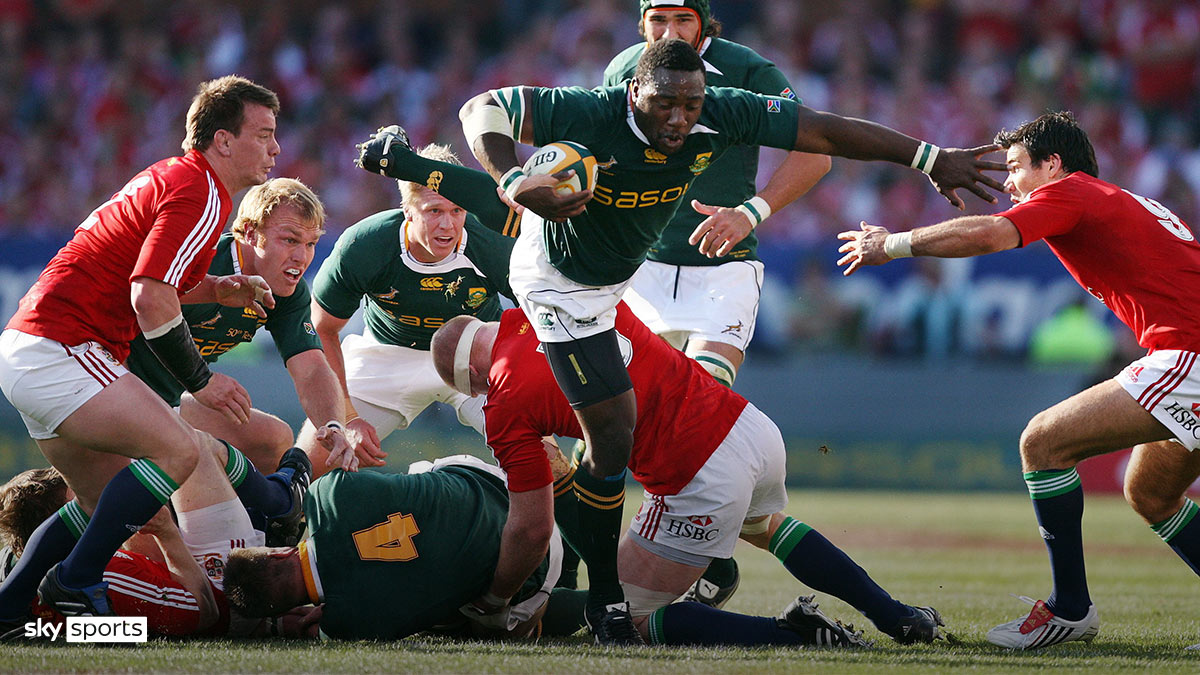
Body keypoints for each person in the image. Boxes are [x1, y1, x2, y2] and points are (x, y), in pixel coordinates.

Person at [456, 36, 1003, 640]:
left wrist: (929, 158)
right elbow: (483, 106)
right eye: (666, 104)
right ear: (634, 91)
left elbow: (825, 133)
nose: (680, 118)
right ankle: (620, 593)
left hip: (625, 306)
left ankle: (620, 598)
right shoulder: (594, 110)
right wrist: (511, 178)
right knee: (616, 438)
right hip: (564, 291)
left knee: (612, 454)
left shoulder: (722, 108)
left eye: (691, 105)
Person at [835, 111, 1200, 650]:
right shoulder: (1109, 198)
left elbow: (988, 235)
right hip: (1183, 351)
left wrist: (892, 244)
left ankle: (1070, 609)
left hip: (1188, 354)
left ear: (1053, 165)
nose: (1008, 183)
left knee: (1043, 442)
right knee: (1150, 491)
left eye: (1015, 167)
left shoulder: (1073, 192)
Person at [429, 305, 947, 648]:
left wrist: (493, 601)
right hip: (750, 425)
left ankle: (794, 634)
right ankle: (897, 614)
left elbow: (531, 530)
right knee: (765, 526)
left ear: (473, 380)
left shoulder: (502, 403)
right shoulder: (558, 303)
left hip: (701, 474)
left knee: (620, 616)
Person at [0, 75, 284, 622]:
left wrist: (218, 289)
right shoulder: (202, 190)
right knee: (179, 450)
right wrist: (204, 382)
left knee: (93, 503)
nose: (275, 148)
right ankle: (77, 581)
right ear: (222, 141)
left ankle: (11, 607)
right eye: (264, 134)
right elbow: (149, 299)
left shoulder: (180, 179)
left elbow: (150, 279)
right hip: (61, 345)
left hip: (31, 347)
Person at [603, 0, 833, 608]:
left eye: (683, 21)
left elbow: (816, 151)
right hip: (640, 269)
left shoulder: (749, 70)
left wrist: (750, 210)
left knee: (700, 407)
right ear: (642, 25)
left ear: (705, 23)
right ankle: (623, 570)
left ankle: (698, 552)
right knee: (607, 421)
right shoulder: (623, 68)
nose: (670, 34)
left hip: (723, 273)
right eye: (658, 22)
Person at [297, 143, 516, 477]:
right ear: (408, 211)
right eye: (433, 211)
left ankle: (561, 531)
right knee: (312, 461)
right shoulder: (365, 245)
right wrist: (347, 416)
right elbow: (322, 328)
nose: (448, 226)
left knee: (542, 457)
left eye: (457, 210)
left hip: (478, 356)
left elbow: (536, 311)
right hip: (388, 354)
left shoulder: (491, 240)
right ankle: (275, 527)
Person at [223, 456, 585, 641]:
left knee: (459, 620)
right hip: (502, 486)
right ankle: (579, 512)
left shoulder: (347, 624)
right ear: (276, 552)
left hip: (534, 568)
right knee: (419, 478)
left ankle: (600, 606)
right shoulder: (326, 493)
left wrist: (333, 618)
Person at [125, 177, 350, 473]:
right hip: (115, 385)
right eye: (290, 240)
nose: (302, 256)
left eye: (311, 243)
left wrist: (332, 424)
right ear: (250, 233)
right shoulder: (198, 259)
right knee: (160, 497)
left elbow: (311, 368)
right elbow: (132, 304)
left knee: (274, 439)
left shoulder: (286, 289)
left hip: (170, 397)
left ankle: (259, 519)